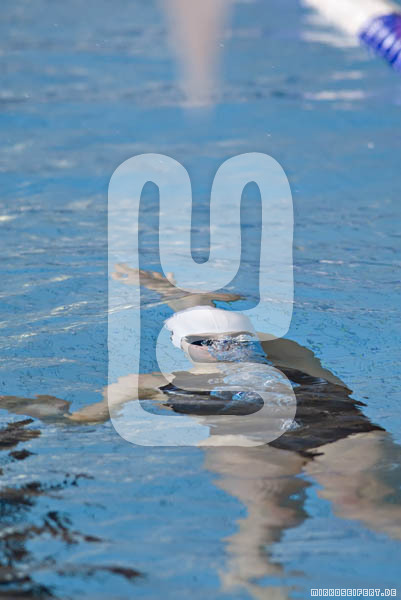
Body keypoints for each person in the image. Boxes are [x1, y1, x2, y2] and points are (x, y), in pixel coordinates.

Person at [2, 265, 401, 599]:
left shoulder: (290, 357)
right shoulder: (151, 383)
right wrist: (45, 412)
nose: (223, 347)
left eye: (237, 339)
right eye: (206, 342)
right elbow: (82, 423)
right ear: (182, 345)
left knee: (362, 501)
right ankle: (252, 570)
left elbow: (203, 313)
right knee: (272, 511)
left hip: (336, 429)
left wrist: (177, 292)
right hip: (246, 443)